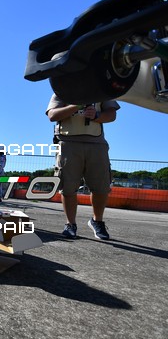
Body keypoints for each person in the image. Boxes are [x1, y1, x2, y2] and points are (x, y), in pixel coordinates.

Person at [46, 94, 119, 240]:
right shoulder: (62, 90)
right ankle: (70, 224)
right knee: (68, 186)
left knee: (101, 187)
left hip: (96, 143)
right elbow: (52, 115)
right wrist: (76, 106)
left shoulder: (101, 89)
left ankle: (97, 221)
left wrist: (96, 115)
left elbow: (112, 114)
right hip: (67, 142)